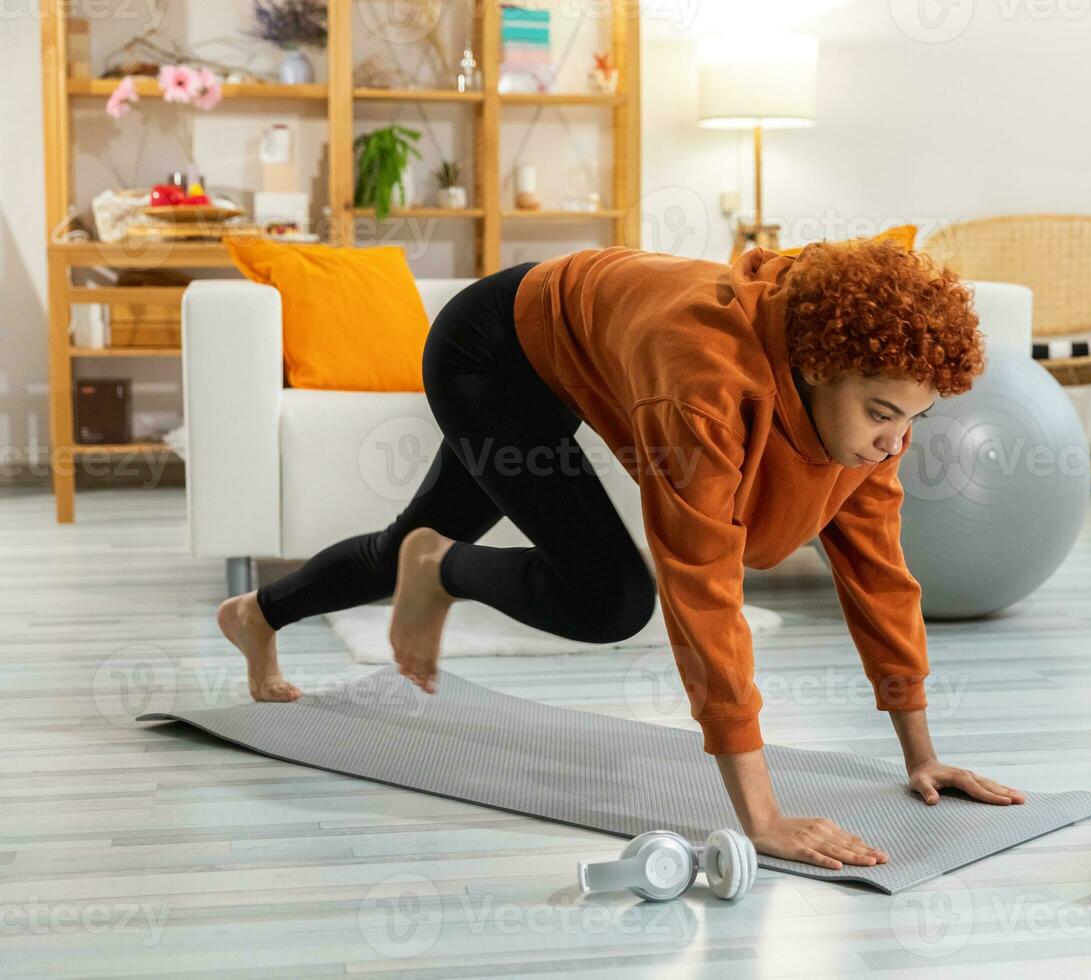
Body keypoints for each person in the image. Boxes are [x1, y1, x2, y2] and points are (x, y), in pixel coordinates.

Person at [216, 239, 1025, 873]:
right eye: (882, 415)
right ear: (817, 365)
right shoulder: (703, 387)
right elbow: (702, 592)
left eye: (911, 421)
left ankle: (258, 614)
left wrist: (923, 757)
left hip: (563, 341)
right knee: (613, 600)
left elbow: (879, 576)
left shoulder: (870, 426)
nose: (896, 444)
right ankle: (442, 568)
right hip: (492, 351)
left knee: (403, 541)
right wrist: (763, 818)